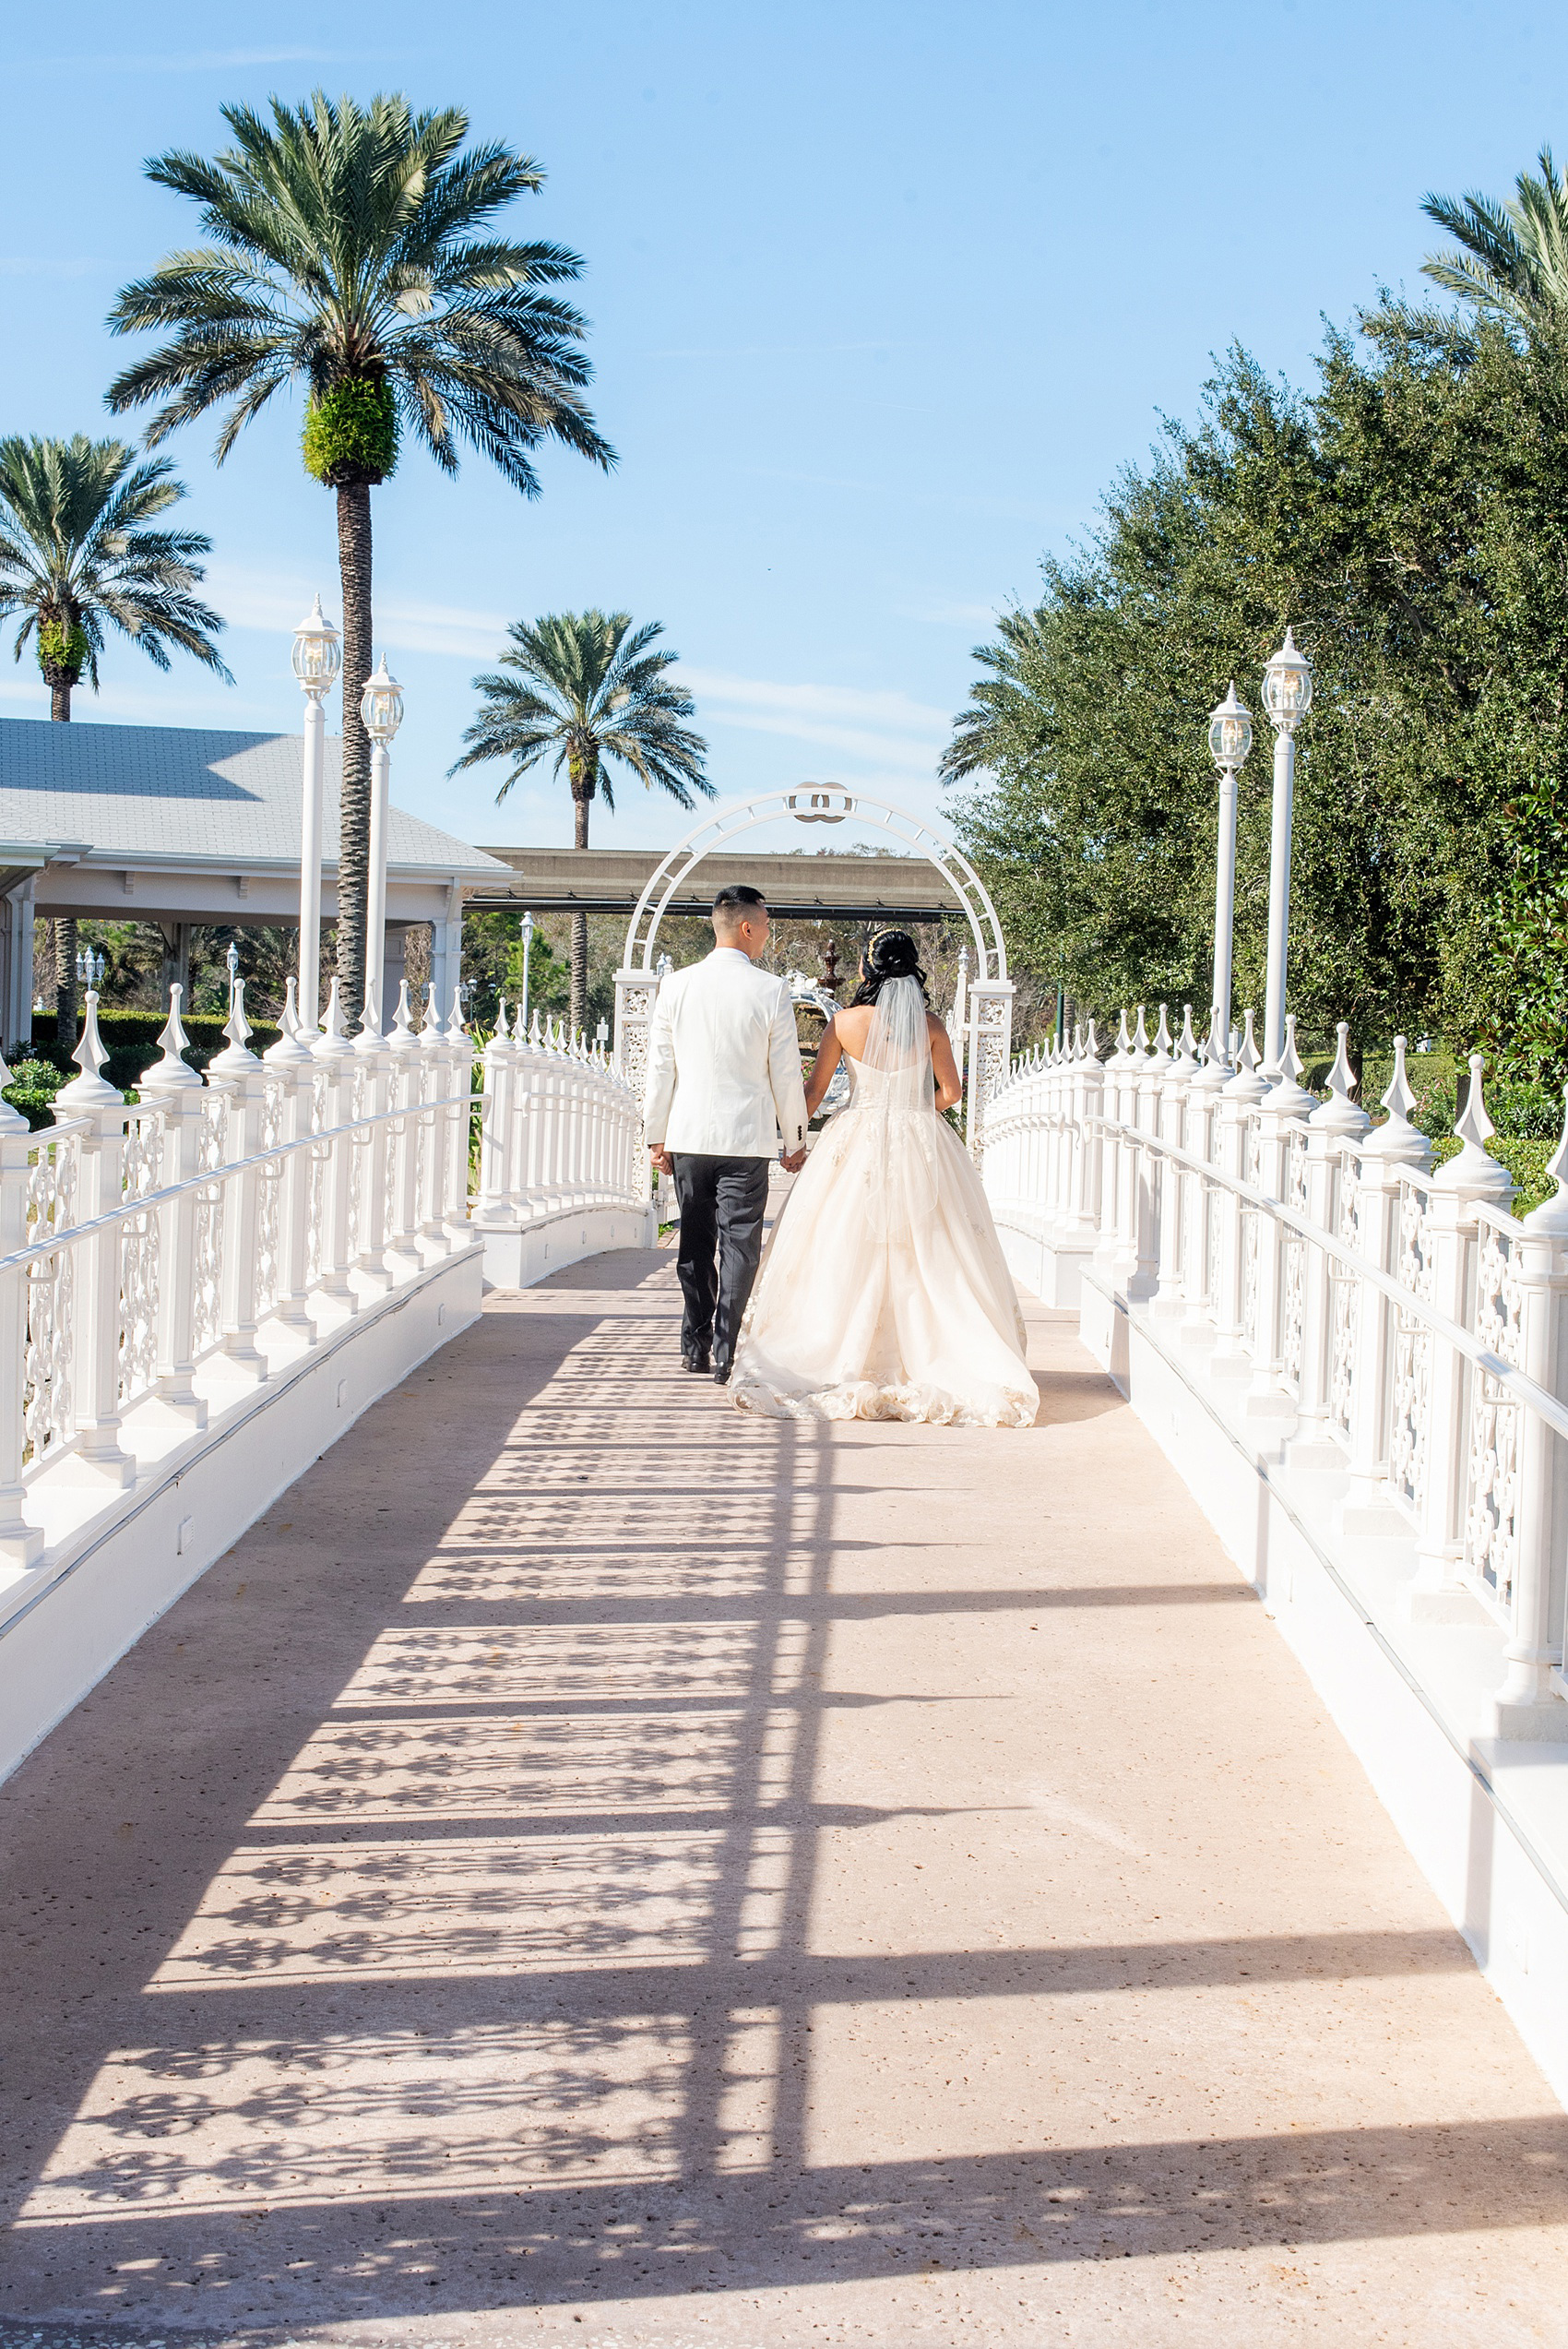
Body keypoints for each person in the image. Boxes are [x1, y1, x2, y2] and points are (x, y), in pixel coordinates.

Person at [729, 930, 1038, 1425]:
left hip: (857, 1135)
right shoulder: (930, 1024)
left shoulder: (844, 1023)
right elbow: (952, 1093)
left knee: (841, 1243)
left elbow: (813, 1092)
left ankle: (837, 1353)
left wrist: (791, 1138)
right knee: (929, 1246)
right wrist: (915, 1109)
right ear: (913, 967)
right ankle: (931, 1352)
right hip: (920, 1138)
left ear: (867, 971)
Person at [643, 885, 809, 1382]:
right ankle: (726, 1351)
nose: (766, 938)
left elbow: (660, 1068)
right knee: (740, 1245)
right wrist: (795, 1138)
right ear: (747, 927)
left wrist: (656, 1134)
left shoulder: (676, 985)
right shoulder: (771, 990)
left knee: (693, 1242)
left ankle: (693, 1345)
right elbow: (784, 1072)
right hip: (745, 1141)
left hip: (689, 1136)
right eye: (766, 928)